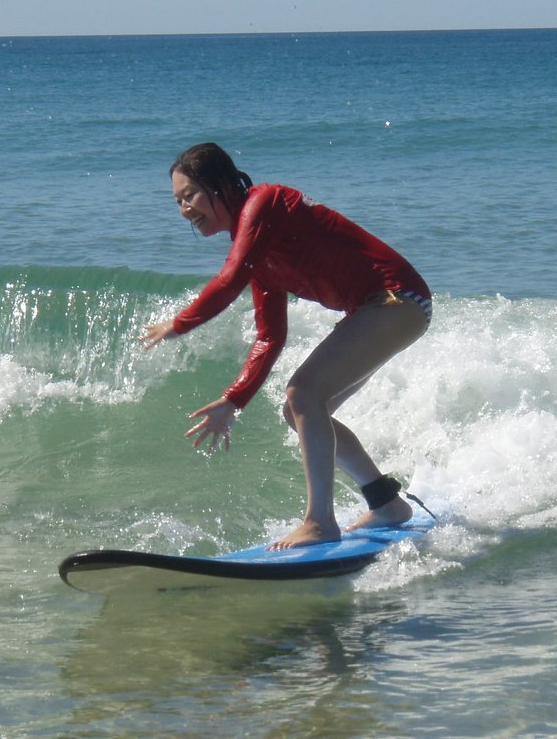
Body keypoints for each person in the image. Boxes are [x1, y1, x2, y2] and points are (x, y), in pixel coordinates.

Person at [141, 143, 431, 550]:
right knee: (301, 411)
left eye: (189, 195)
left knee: (304, 393)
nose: (183, 209)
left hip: (397, 300)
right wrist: (233, 399)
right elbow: (270, 336)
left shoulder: (266, 202)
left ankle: (319, 521)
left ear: (219, 184)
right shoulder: (259, 252)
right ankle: (386, 504)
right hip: (378, 309)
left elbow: (228, 280)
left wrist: (179, 323)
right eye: (177, 201)